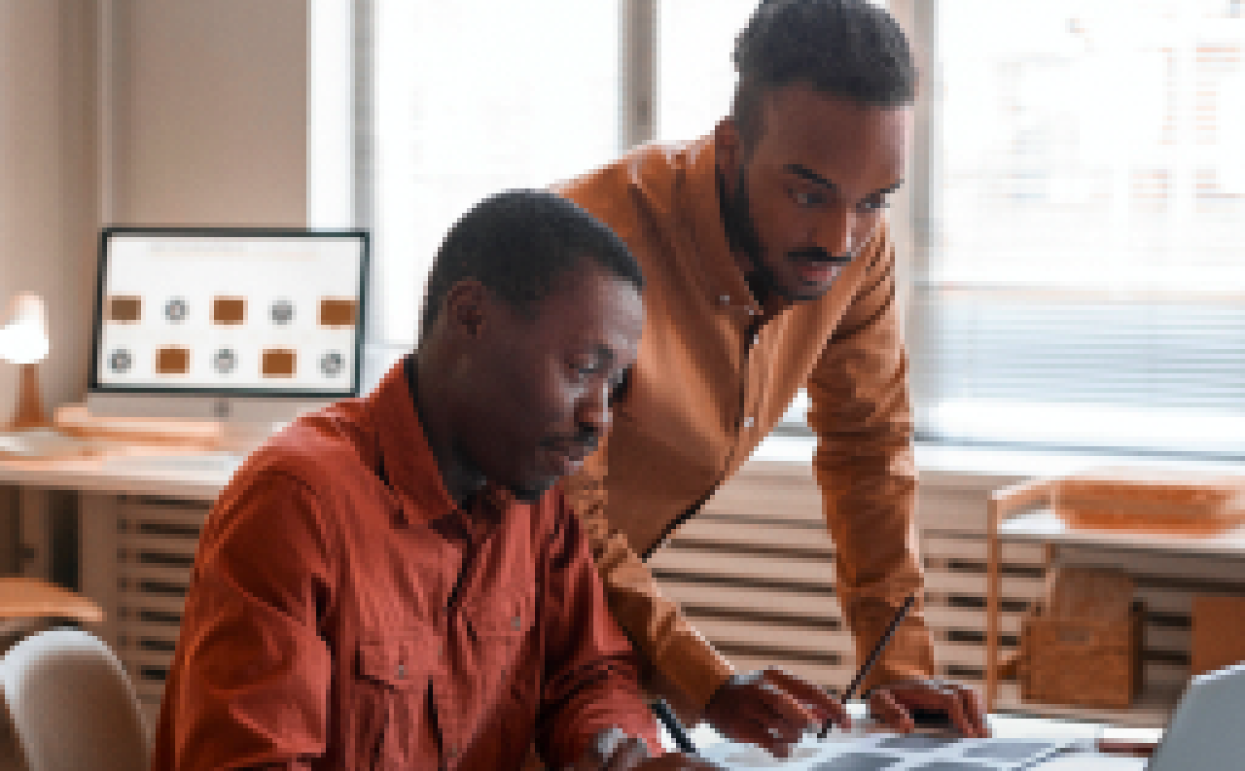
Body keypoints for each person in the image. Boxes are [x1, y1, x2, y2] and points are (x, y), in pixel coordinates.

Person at [151, 191, 716, 770]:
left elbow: (589, 677)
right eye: (581, 369)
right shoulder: (298, 503)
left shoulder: (534, 500)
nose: (600, 415)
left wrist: (616, 754)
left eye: (614, 382)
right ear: (471, 315)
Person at [555, 0, 988, 753]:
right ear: (730, 149)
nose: (837, 237)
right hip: (462, 601)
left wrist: (896, 667)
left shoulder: (857, 248)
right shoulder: (591, 251)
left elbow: (868, 447)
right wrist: (709, 682)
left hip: (581, 621)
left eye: (871, 202)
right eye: (807, 192)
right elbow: (560, 514)